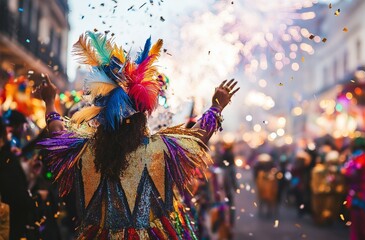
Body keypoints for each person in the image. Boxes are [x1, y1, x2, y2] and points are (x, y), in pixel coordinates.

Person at [37, 31, 239, 239]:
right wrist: (216, 108)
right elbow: (197, 137)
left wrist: (50, 102)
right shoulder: (160, 149)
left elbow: (56, 134)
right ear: (142, 117)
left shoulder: (83, 151)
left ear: (102, 116)